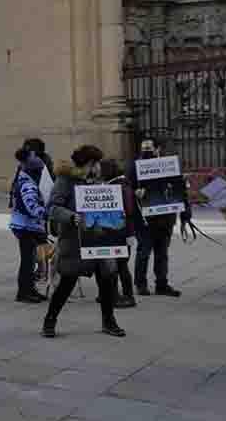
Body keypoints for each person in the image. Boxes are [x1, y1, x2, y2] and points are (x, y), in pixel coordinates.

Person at [41, 145, 126, 339]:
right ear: (89, 164)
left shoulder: (96, 181)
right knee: (67, 283)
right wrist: (72, 217)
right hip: (75, 241)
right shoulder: (66, 180)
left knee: (107, 281)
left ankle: (109, 321)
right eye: (96, 164)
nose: (98, 168)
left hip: (99, 240)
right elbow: (52, 208)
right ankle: (50, 320)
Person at [128, 137, 187, 298]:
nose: (146, 152)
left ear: (158, 149)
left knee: (162, 252)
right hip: (144, 218)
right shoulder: (134, 166)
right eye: (143, 149)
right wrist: (134, 192)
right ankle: (140, 284)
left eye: (149, 148)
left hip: (165, 217)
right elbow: (126, 186)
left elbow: (178, 189)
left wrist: (184, 213)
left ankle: (161, 284)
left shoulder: (169, 166)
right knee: (144, 251)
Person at [9, 148, 49, 303]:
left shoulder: (25, 179)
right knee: (28, 262)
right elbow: (31, 206)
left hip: (26, 226)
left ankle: (30, 289)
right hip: (25, 227)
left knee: (31, 260)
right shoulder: (27, 184)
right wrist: (45, 213)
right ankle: (24, 292)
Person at [100, 158, 137, 309]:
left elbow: (127, 209)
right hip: (121, 230)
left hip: (121, 231)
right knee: (118, 264)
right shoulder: (119, 184)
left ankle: (127, 296)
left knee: (120, 265)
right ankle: (115, 294)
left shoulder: (120, 186)